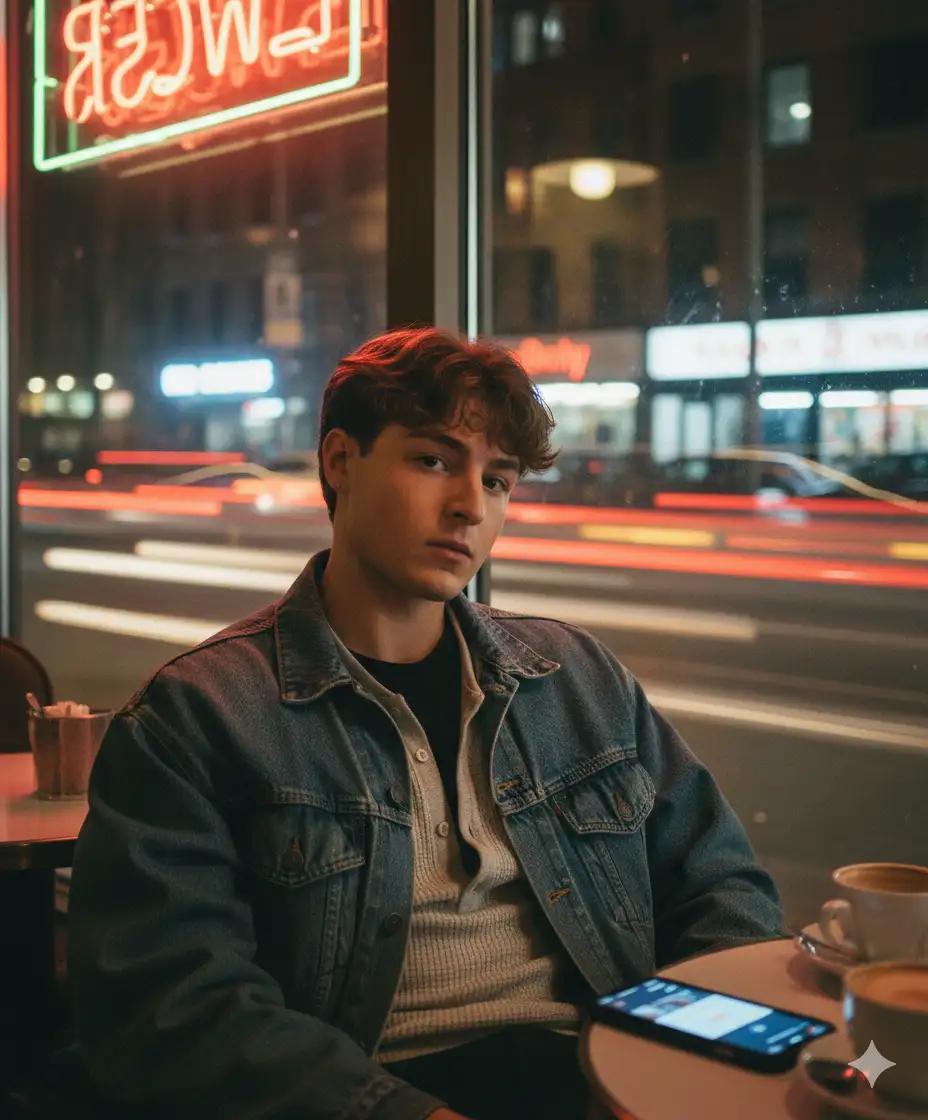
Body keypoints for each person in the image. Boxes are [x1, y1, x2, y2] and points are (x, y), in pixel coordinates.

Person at [67, 327, 785, 1120]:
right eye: (433, 460)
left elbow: (721, 884)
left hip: (603, 1074)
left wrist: (679, 1065)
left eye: (499, 479)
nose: (470, 507)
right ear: (340, 462)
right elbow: (172, 1006)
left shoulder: (576, 678)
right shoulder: (201, 715)